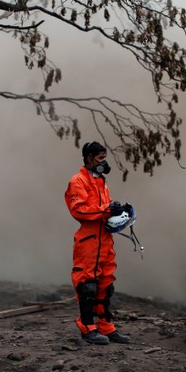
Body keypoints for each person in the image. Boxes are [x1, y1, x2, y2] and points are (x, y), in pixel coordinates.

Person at [64, 141, 131, 345]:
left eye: (104, 157)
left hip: (104, 239)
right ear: (89, 158)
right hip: (89, 239)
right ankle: (87, 327)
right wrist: (105, 210)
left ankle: (106, 326)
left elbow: (103, 208)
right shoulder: (78, 181)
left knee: (105, 284)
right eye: (100, 158)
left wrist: (116, 212)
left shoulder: (101, 181)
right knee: (87, 285)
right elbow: (79, 210)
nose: (104, 162)